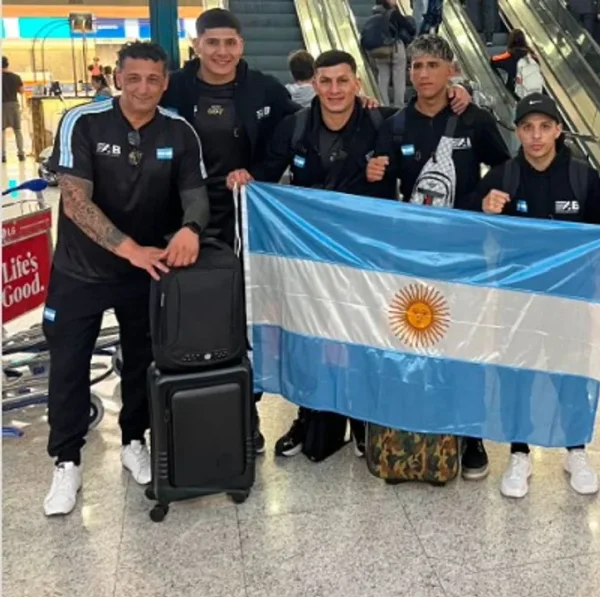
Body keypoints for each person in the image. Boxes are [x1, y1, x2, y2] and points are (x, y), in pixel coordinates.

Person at [226, 49, 472, 456]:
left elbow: (426, 113)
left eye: (343, 81)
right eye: (326, 81)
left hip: (368, 259)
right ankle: (309, 416)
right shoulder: (294, 127)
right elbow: (262, 176)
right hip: (312, 257)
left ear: (358, 84)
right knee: (312, 338)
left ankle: (363, 419)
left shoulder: (383, 122)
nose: (335, 89)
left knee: (365, 336)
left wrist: (458, 92)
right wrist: (243, 176)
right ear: (314, 84)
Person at [41, 41, 209, 517]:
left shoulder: (179, 131)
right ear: (117, 77)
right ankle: (67, 460)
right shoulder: (83, 121)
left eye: (153, 79)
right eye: (133, 78)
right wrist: (127, 249)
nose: (143, 88)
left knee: (142, 362)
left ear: (165, 81)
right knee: (69, 365)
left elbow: (195, 194)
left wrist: (190, 229)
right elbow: (74, 201)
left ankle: (134, 440)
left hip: (147, 271)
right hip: (81, 271)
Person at [476, 93, 600, 498]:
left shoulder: (582, 177)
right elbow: (466, 228)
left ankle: (575, 449)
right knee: (518, 374)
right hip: (517, 298)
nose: (536, 136)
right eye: (527, 127)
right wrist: (482, 207)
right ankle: (519, 452)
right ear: (517, 132)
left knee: (570, 373)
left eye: (544, 127)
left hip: (570, 298)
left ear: (558, 130)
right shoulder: (502, 177)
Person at [368, 34, 510, 479]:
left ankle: (470, 437)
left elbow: (505, 169)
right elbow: (380, 189)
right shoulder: (394, 125)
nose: (423, 74)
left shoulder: (476, 120)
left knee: (463, 343)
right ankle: (419, 427)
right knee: (413, 339)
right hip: (409, 255)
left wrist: (477, 203)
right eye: (416, 66)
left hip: (463, 252)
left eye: (432, 65)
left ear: (452, 70)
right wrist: (374, 174)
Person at [160, 8, 300, 454]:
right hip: (182, 221)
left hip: (245, 220)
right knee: (193, 313)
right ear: (197, 44)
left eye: (230, 43)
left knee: (243, 314)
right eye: (213, 43)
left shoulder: (263, 87)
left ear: (242, 45)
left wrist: (369, 105)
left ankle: (245, 412)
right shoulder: (176, 87)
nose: (222, 52)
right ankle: (187, 412)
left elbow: (306, 122)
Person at [366, 0, 416, 108]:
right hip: (395, 48)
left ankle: (383, 103)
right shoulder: (393, 13)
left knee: (383, 76)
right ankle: (398, 105)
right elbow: (410, 29)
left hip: (379, 50)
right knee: (399, 77)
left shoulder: (374, 14)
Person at [2, 56, 25, 162]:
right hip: (14, 105)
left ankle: (2, 155)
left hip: (2, 106)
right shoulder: (16, 77)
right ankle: (21, 154)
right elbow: (21, 91)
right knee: (18, 130)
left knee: (1, 131)